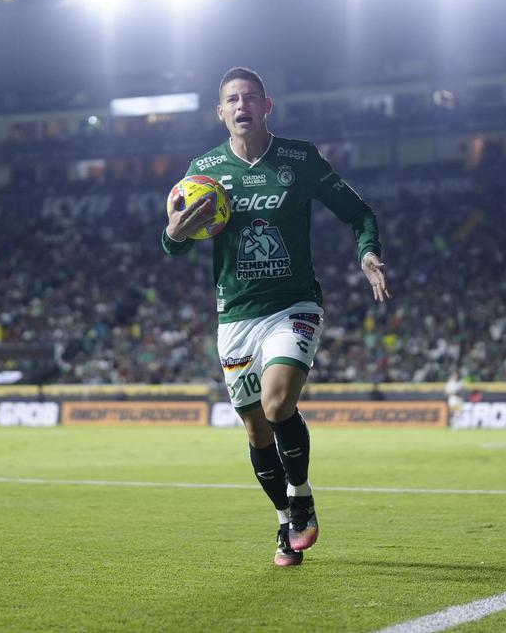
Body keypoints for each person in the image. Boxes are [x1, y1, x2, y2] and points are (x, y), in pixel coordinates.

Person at [161, 67, 388, 568]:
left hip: (293, 303)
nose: (241, 106)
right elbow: (173, 246)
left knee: (277, 401)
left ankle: (301, 493)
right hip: (236, 314)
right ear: (220, 113)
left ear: (267, 106)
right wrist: (175, 231)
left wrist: (367, 252)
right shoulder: (202, 173)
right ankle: (287, 521)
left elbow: (359, 212)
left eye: (250, 98)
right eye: (231, 100)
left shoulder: (299, 159)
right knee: (255, 431)